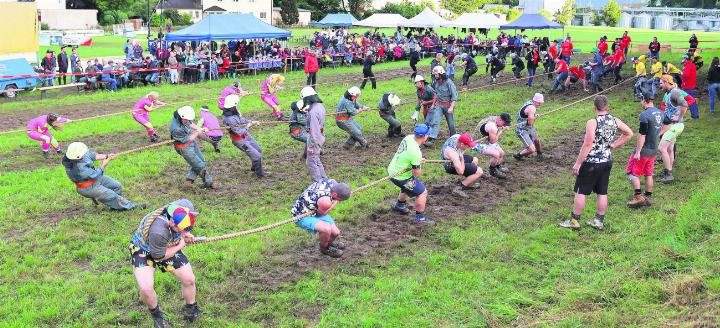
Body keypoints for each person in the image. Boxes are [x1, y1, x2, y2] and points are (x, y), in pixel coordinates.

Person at [559, 95, 633, 231]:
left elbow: (587, 144)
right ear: (607, 106)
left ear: (595, 107)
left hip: (591, 162)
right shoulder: (614, 120)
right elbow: (629, 133)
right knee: (602, 191)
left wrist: (578, 163)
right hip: (607, 160)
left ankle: (575, 221)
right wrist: (615, 145)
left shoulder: (592, 122)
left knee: (581, 191)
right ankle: (599, 221)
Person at [129, 199, 202, 327]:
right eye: (179, 229)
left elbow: (183, 227)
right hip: (144, 248)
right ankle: (157, 316)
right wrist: (182, 243)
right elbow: (160, 256)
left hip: (168, 244)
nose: (181, 232)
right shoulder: (159, 230)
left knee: (189, 279)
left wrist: (186, 233)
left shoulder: (184, 206)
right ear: (172, 220)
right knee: (146, 288)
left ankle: (192, 309)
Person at [62, 141, 143, 210]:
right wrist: (104, 164)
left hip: (95, 179)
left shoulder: (78, 154)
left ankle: (116, 206)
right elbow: (94, 175)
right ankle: (130, 206)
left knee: (116, 185)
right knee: (112, 195)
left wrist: (107, 156)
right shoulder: (77, 168)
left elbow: (91, 155)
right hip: (87, 187)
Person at [291, 178, 352, 258]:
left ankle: (328, 243)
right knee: (326, 229)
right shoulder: (326, 202)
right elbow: (323, 213)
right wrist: (334, 203)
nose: (340, 201)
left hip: (314, 208)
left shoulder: (332, 182)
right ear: (335, 195)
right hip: (302, 214)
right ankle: (324, 248)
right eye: (340, 200)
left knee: (336, 233)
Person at [388, 124, 432, 224]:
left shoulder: (408, 138)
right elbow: (416, 173)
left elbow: (407, 155)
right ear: (424, 136)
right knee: (422, 192)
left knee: (407, 186)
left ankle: (400, 205)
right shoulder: (416, 152)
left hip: (392, 171)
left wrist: (417, 161)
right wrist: (418, 163)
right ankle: (420, 217)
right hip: (401, 177)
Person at [626, 92, 664, 208]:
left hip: (644, 151)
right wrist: (657, 134)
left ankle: (638, 197)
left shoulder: (644, 115)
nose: (640, 101)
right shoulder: (660, 113)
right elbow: (669, 124)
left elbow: (642, 135)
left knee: (632, 173)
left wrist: (638, 152)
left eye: (641, 99)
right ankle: (647, 196)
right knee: (648, 174)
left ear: (645, 100)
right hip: (653, 150)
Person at [221, 94, 268, 177]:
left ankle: (254, 168)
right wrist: (249, 125)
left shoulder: (233, 111)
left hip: (246, 135)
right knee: (257, 156)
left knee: (258, 150)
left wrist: (252, 121)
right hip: (239, 140)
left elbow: (242, 120)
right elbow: (239, 132)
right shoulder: (229, 119)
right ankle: (260, 174)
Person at [170, 106, 215, 189]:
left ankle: (188, 182)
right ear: (181, 117)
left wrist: (199, 128)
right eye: (185, 120)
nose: (187, 121)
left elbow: (190, 123)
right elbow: (188, 139)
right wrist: (198, 132)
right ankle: (209, 183)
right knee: (199, 165)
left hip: (191, 144)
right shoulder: (176, 129)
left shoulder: (182, 116)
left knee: (201, 161)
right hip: (184, 147)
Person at [658, 75, 690, 184]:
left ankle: (668, 174)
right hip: (672, 126)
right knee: (669, 149)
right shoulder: (670, 93)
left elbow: (685, 104)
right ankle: (668, 170)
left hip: (675, 126)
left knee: (662, 148)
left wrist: (679, 117)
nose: (660, 85)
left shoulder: (675, 92)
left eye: (661, 83)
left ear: (666, 82)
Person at [441, 134, 483, 198]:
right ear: (462, 144)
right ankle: (459, 188)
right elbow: (460, 172)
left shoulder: (458, 137)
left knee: (475, 160)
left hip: (457, 157)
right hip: (450, 165)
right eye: (468, 145)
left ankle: (468, 181)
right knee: (479, 171)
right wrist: (462, 160)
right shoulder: (452, 152)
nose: (469, 147)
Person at [426, 66, 458, 147]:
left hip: (448, 106)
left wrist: (451, 107)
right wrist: (433, 104)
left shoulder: (449, 82)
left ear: (441, 73)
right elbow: (436, 94)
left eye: (437, 74)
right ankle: (431, 138)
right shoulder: (436, 83)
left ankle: (453, 137)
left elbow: (454, 96)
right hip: (439, 105)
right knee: (435, 121)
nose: (435, 76)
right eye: (435, 75)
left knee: (451, 123)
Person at [474, 113, 512, 179]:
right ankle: (493, 170)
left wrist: (502, 127)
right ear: (500, 120)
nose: (505, 125)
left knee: (502, 153)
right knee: (496, 154)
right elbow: (493, 141)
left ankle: (498, 166)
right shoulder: (492, 127)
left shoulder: (496, 119)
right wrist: (501, 131)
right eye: (504, 124)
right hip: (478, 142)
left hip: (487, 139)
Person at [302, 87, 327, 181]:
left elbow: (314, 131)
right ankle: (324, 180)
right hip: (320, 135)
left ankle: (318, 182)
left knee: (311, 162)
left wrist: (311, 146)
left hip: (315, 138)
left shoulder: (312, 113)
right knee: (316, 160)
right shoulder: (319, 105)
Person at [513, 93, 545, 160]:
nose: (540, 104)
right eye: (539, 103)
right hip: (521, 129)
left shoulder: (530, 103)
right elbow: (530, 123)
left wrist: (534, 116)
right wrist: (534, 117)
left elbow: (529, 118)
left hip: (528, 127)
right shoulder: (532, 108)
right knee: (532, 150)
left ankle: (539, 154)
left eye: (541, 103)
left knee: (537, 141)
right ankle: (519, 155)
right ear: (535, 101)